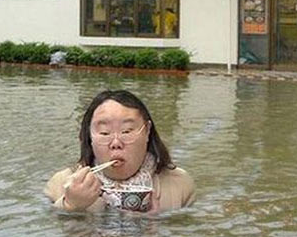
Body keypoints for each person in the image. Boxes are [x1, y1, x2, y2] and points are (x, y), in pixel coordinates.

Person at [44, 90, 195, 214]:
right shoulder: (62, 184)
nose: (116, 143)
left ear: (147, 131)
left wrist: (154, 225)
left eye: (126, 131)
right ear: (89, 137)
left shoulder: (180, 185)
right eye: (104, 133)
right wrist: (71, 206)